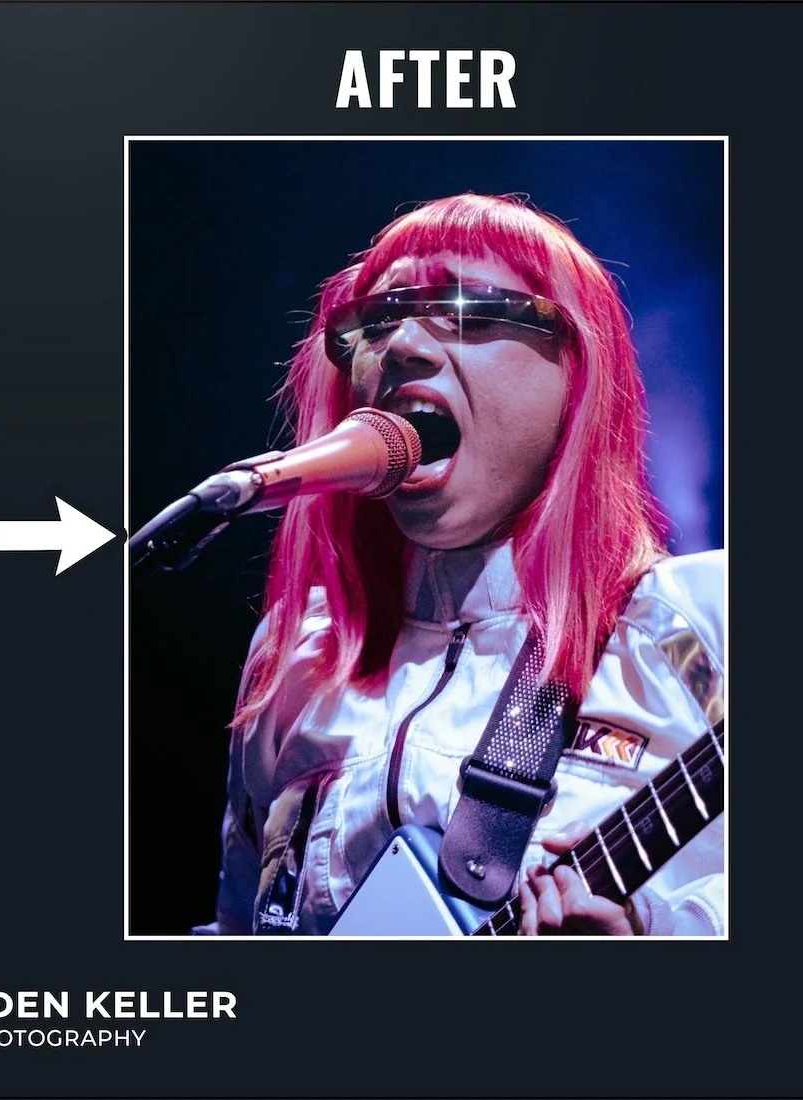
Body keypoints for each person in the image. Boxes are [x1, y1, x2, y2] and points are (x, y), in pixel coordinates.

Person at [206, 192, 724, 936]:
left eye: (469, 310)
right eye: (377, 322)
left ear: (578, 372)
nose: (405, 346)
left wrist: (664, 932)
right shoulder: (296, 658)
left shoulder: (694, 625)